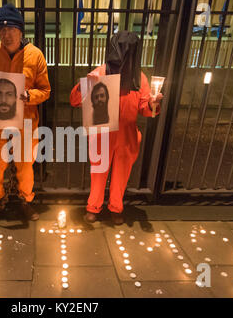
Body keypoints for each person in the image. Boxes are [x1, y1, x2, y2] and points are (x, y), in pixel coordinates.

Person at [70, 31, 163, 225]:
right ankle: (93, 207)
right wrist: (86, 84)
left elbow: (146, 109)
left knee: (121, 175)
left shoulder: (140, 78)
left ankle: (115, 206)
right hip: (102, 133)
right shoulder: (101, 72)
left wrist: (153, 104)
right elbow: (75, 100)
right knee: (98, 173)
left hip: (126, 134)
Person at [0, 3, 51, 221]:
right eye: (1, 29)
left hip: (25, 120)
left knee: (25, 166)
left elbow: (46, 90)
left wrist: (30, 97)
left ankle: (26, 200)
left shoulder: (35, 55)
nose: (6, 34)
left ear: (21, 31)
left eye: (11, 29)